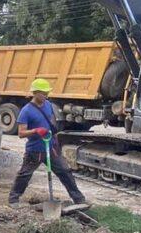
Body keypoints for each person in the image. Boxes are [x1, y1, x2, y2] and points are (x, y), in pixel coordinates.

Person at [8, 78, 87, 206]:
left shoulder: (48, 105)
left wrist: (55, 139)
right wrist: (35, 131)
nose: (46, 95)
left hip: (51, 148)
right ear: (35, 93)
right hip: (35, 150)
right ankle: (13, 199)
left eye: (47, 93)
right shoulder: (26, 111)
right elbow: (21, 133)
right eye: (43, 93)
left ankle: (79, 199)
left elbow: (51, 121)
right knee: (25, 174)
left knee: (65, 171)